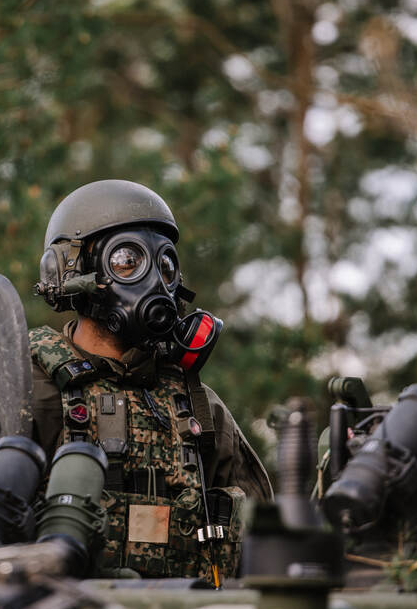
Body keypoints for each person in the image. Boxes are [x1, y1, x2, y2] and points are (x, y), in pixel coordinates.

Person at [29, 179, 272, 582]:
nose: (156, 283)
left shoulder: (197, 407)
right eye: (127, 260)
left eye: (166, 266)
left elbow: (264, 535)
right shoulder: (34, 389)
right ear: (68, 272)